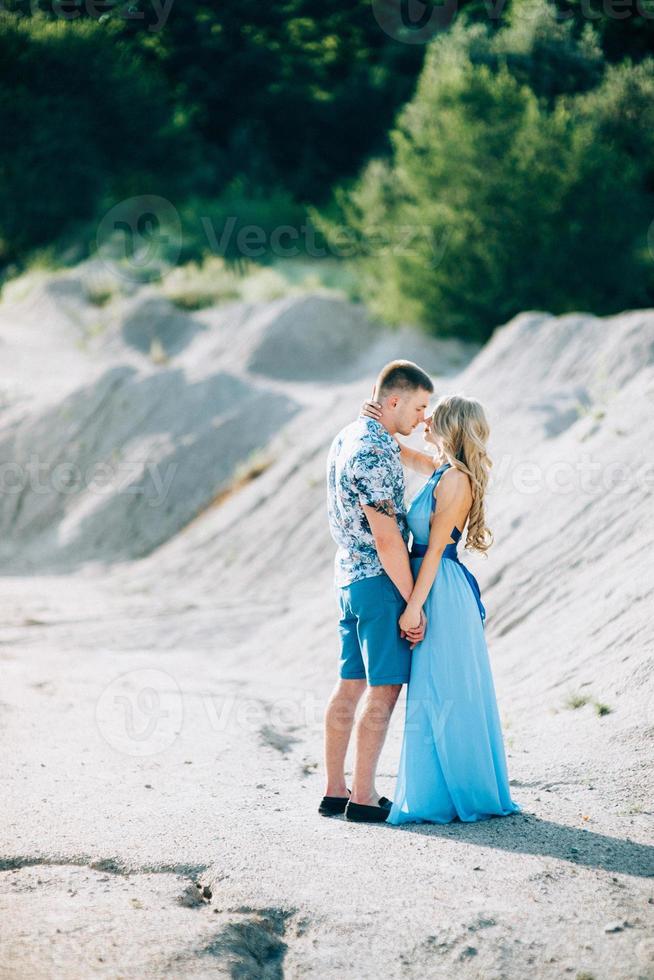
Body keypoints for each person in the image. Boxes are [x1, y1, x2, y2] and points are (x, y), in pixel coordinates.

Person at [361, 393, 521, 824]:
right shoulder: (443, 471)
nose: (424, 421)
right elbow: (405, 453)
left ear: (449, 426)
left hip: (439, 591)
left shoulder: (455, 481)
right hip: (429, 586)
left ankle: (457, 793)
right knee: (434, 693)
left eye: (432, 418)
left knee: (443, 691)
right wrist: (374, 422)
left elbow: (433, 553)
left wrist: (413, 607)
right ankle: (441, 790)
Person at [320, 360, 434, 823]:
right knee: (383, 691)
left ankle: (335, 791)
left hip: (348, 578)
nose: (424, 418)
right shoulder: (373, 451)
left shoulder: (353, 434)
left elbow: (398, 451)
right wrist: (413, 603)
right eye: (420, 407)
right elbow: (387, 538)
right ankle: (363, 797)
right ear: (393, 401)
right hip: (378, 583)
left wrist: (437, 462)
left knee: (350, 685)